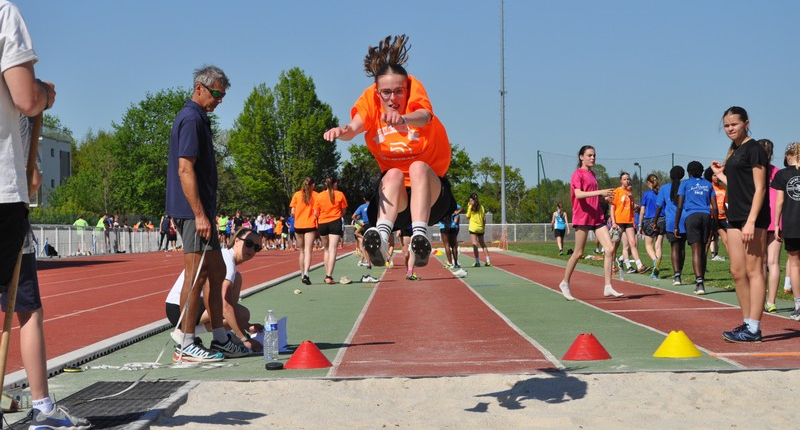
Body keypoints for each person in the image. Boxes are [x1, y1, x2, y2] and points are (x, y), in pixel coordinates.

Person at [0, 3, 91, 427]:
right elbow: (26, 99)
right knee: (25, 306)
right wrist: (43, 94)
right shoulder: (4, 13)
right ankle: (42, 407)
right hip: (3, 198)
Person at [323, 34, 456, 273]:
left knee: (417, 167)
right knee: (392, 173)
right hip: (395, 200)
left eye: (398, 92)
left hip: (432, 196)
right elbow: (354, 127)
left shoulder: (415, 91)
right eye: (386, 92)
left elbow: (425, 116)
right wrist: (342, 131)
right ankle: (382, 239)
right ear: (377, 92)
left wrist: (403, 119)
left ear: (406, 89)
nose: (393, 99)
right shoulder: (370, 101)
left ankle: (419, 238)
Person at [166, 64, 249, 362]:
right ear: (199, 88)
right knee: (197, 275)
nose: (219, 100)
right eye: (216, 94)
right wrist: (199, 214)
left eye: (223, 96)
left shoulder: (199, 118)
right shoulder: (190, 118)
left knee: (217, 272)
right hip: (192, 212)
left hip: (201, 211)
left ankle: (220, 338)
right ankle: (186, 342)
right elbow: (184, 168)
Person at [710, 106, 769, 343]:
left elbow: (760, 188)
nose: (730, 129)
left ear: (746, 123)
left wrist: (751, 221)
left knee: (755, 270)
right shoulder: (735, 150)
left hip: (751, 218)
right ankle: (746, 323)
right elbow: (738, 185)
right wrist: (720, 175)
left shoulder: (755, 149)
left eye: (734, 124)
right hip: (734, 217)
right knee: (737, 271)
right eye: (726, 125)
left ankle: (754, 327)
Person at [166, 227, 264, 352]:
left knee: (237, 283)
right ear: (237, 241)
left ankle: (223, 336)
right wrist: (245, 339)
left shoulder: (227, 260)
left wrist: (247, 326)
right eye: (249, 243)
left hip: (183, 306)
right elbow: (225, 306)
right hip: (179, 308)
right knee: (242, 314)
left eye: (257, 248)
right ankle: (185, 332)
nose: (252, 250)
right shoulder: (226, 261)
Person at [558, 145, 623, 301]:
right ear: (581, 157)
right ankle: (565, 283)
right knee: (578, 253)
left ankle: (608, 286)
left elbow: (591, 194)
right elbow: (579, 194)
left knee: (609, 249)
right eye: (589, 155)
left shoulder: (592, 174)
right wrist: (601, 192)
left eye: (594, 155)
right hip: (583, 216)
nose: (592, 158)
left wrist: (603, 198)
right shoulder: (577, 174)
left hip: (597, 216)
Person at [674, 161, 717, 295]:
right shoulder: (708, 184)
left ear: (689, 172)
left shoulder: (685, 184)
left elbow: (680, 205)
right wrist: (715, 225)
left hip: (692, 217)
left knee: (696, 251)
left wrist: (676, 225)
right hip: (706, 216)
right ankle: (701, 280)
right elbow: (715, 207)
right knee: (703, 250)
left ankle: (699, 283)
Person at [772, 142, 800, 320]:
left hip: (791, 223)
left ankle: (798, 305)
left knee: (795, 264)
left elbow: (780, 201)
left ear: (788, 155)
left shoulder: (782, 174)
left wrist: (776, 224)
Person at [759, 139, 782, 313]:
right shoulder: (778, 172)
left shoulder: (753, 171)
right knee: (774, 263)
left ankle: (759, 300)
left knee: (761, 262)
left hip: (760, 218)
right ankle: (771, 302)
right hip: (777, 219)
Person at [609, 172, 647, 274]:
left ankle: (639, 265)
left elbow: (631, 206)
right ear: (621, 181)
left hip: (629, 220)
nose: (627, 181)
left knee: (633, 243)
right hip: (619, 221)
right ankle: (612, 265)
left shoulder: (629, 192)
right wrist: (613, 222)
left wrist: (632, 200)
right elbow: (612, 207)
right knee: (615, 245)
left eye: (628, 179)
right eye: (625, 179)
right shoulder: (617, 191)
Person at [654, 166, 686, 286]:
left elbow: (659, 206)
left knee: (674, 247)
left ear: (671, 175)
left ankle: (676, 275)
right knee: (682, 247)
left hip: (671, 221)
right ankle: (680, 271)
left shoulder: (664, 188)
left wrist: (655, 221)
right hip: (685, 220)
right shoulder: (685, 186)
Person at [315, 177, 348, 284]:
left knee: (326, 249)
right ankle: (329, 276)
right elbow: (344, 211)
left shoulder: (319, 196)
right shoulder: (340, 194)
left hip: (322, 223)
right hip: (335, 222)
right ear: (335, 184)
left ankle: (327, 274)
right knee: (333, 249)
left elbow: (315, 213)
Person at [290, 177, 319, 285]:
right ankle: (306, 273)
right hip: (310, 224)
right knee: (308, 250)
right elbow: (316, 212)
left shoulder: (297, 195)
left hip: (298, 225)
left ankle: (302, 274)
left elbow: (292, 212)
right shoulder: (316, 195)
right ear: (313, 185)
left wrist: (299, 216)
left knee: (301, 251)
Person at [638, 174, 665, 279]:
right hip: (662, 219)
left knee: (648, 245)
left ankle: (655, 260)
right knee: (658, 246)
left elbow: (642, 211)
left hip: (650, 220)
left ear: (648, 183)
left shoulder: (646, 195)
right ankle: (655, 272)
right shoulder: (662, 193)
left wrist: (640, 225)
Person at [704, 167, 729, 262]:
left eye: (718, 175)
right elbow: (705, 203)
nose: (716, 177)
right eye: (714, 175)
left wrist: (726, 211)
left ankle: (734, 264)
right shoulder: (707, 187)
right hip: (711, 217)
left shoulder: (723, 188)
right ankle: (702, 264)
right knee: (708, 241)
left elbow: (725, 203)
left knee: (727, 241)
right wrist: (715, 210)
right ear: (710, 176)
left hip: (722, 218)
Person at [466, 193, 492, 267]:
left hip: (473, 228)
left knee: (475, 244)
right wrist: (483, 227)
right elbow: (484, 218)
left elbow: (467, 216)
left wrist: (469, 206)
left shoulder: (471, 206)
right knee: (483, 244)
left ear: (471, 199)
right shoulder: (481, 207)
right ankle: (488, 261)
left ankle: (477, 262)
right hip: (480, 228)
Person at [440, 203, 463, 268]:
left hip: (443, 226)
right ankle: (456, 263)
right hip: (452, 226)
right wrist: (456, 213)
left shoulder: (439, 204)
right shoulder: (451, 202)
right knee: (454, 246)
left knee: (447, 245)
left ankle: (450, 263)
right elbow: (461, 208)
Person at [352, 196, 371, 268]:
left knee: (364, 246)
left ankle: (368, 262)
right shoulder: (375, 205)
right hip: (373, 225)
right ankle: (366, 261)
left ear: (364, 199)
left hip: (365, 226)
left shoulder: (362, 207)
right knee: (364, 246)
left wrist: (360, 224)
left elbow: (353, 216)